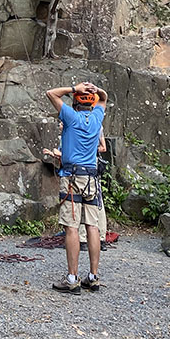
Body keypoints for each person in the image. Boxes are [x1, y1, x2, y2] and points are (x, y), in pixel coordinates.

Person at [45, 81, 107, 294]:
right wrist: (94, 89)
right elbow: (105, 98)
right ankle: (93, 276)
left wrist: (75, 88)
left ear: (76, 102)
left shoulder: (71, 117)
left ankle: (72, 278)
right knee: (92, 226)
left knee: (71, 226)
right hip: (91, 179)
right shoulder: (97, 117)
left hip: (72, 178)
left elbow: (51, 92)